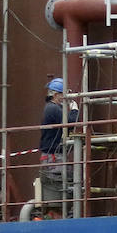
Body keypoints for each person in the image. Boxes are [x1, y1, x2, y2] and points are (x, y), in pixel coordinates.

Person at [39, 78, 77, 217]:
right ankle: (58, 215)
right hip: (54, 159)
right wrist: (74, 109)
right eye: (63, 94)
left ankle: (63, 213)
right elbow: (70, 123)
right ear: (56, 95)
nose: (65, 97)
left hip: (54, 157)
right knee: (59, 190)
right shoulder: (53, 109)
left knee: (67, 184)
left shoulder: (53, 108)